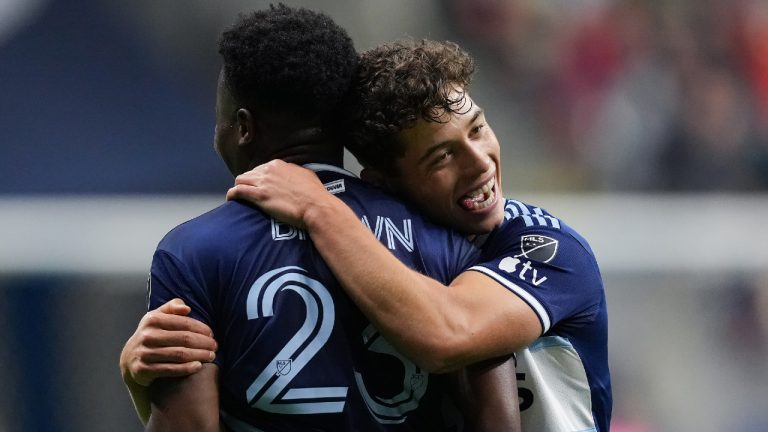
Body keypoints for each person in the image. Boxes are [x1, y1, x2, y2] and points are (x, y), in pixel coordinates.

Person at [122, 5, 520, 431]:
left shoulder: (193, 252)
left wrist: (139, 386)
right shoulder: (439, 231)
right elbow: (498, 421)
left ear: (243, 127)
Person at [226, 39, 612, 431]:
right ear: (383, 183)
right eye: (443, 156)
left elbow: (448, 334)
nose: (480, 163)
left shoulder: (548, 248)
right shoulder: (374, 251)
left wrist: (318, 208)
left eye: (477, 129)